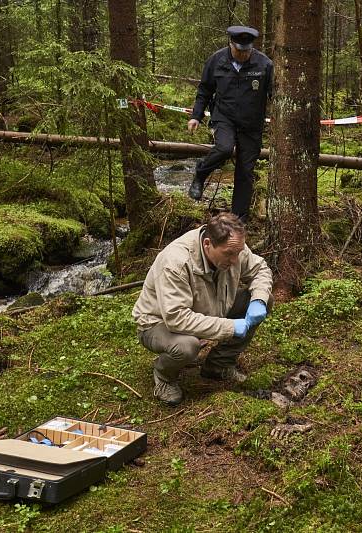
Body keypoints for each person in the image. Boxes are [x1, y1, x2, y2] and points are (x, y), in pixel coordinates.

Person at [132, 213, 273, 405]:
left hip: (209, 311)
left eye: (238, 253)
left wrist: (259, 300)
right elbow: (176, 318)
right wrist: (230, 327)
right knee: (186, 346)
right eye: (228, 254)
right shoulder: (176, 263)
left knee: (263, 298)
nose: (234, 260)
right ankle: (164, 377)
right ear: (207, 244)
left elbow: (260, 269)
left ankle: (218, 365)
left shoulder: (234, 247)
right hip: (158, 323)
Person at [187, 25, 273, 222]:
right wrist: (196, 116)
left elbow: (275, 92)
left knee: (245, 170)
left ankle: (238, 220)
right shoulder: (216, 60)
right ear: (230, 44)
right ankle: (200, 174)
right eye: (239, 50)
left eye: (247, 51)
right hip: (224, 117)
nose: (243, 55)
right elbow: (205, 90)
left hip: (252, 123)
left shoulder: (265, 64)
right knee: (224, 148)